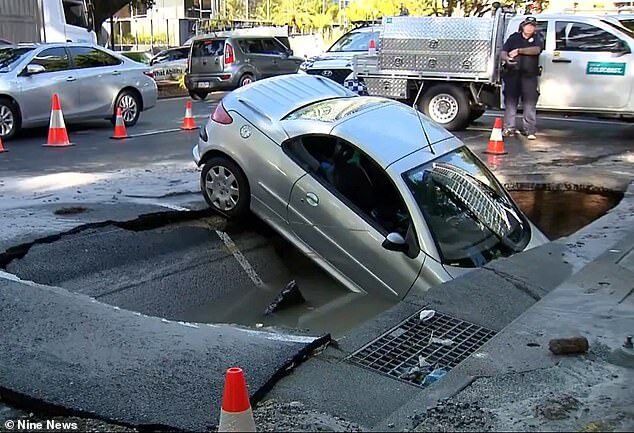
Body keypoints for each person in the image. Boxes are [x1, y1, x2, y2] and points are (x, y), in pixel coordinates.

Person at [500, 16, 544, 140]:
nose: (529, 27)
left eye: (532, 25)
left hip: (529, 76)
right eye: (527, 25)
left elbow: (536, 50)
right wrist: (506, 58)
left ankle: (529, 130)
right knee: (510, 103)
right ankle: (509, 128)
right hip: (512, 74)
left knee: (529, 103)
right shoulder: (514, 37)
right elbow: (503, 51)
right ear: (523, 26)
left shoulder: (537, 38)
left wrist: (519, 51)